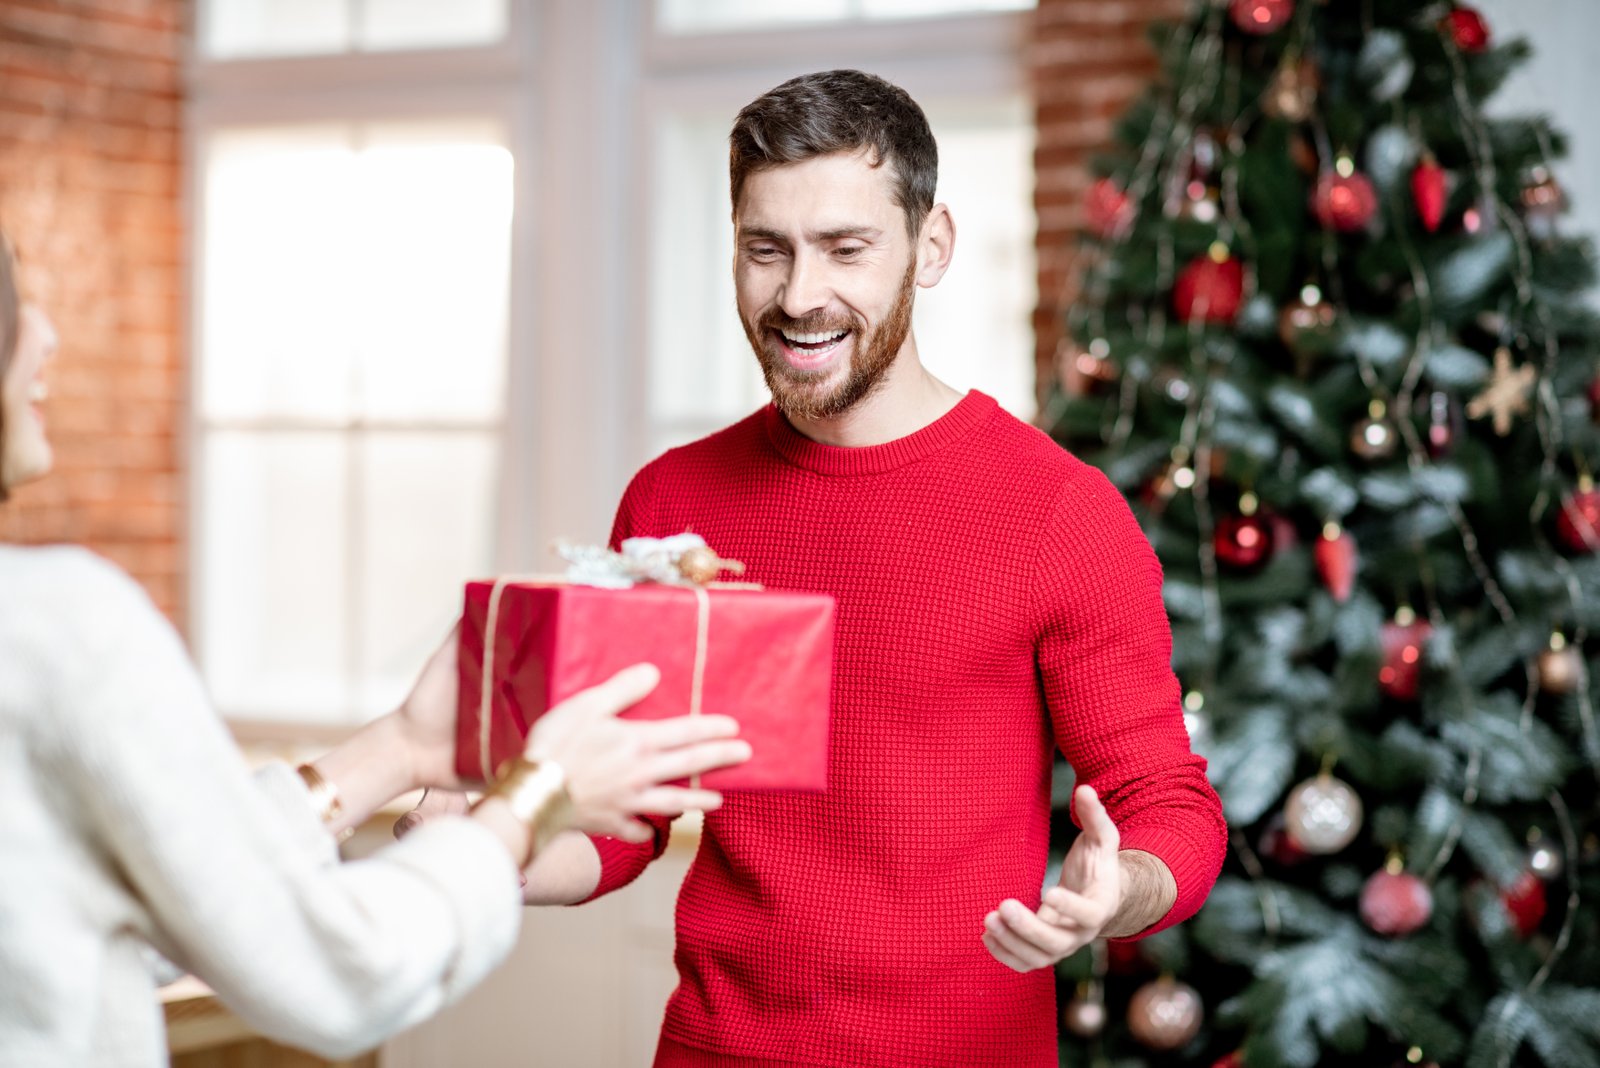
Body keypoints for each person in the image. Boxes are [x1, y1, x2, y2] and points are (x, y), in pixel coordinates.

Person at [412, 69, 1228, 1067]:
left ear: (930, 249)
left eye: (846, 249)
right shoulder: (674, 501)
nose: (799, 296)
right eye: (766, 250)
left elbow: (1166, 801)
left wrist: (1122, 889)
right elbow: (629, 819)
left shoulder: (1058, 512)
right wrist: (482, 850)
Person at [0, 228, 752, 1067]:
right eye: (13, 303)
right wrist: (533, 797)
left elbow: (183, 905)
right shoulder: (56, 623)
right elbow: (335, 974)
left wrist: (402, 747)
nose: (46, 333)